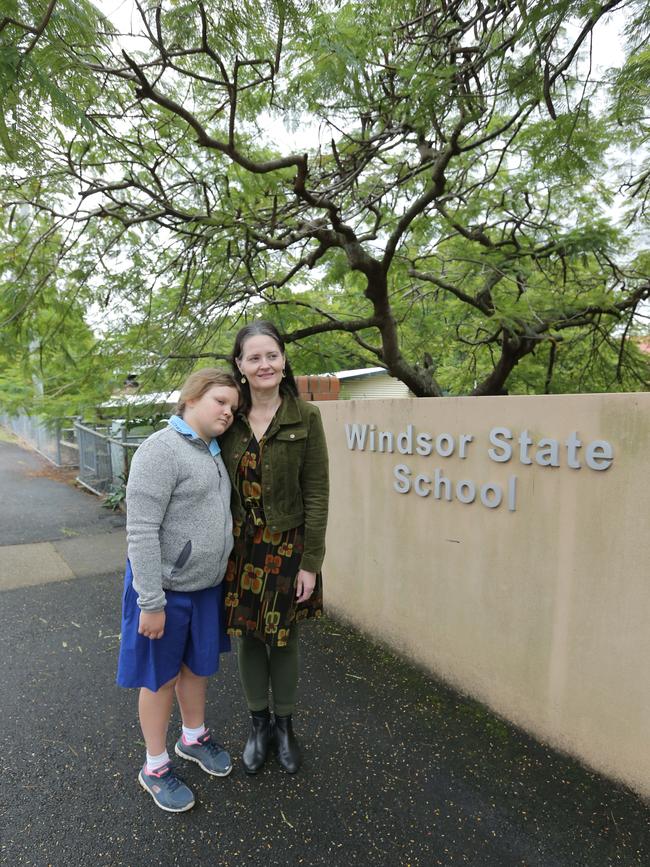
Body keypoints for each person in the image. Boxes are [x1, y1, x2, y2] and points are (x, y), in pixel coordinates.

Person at [116, 368, 240, 812]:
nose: (228, 411)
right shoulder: (161, 450)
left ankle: (193, 737)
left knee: (197, 668)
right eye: (220, 402)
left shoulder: (212, 450)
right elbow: (142, 531)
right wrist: (151, 602)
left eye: (233, 406)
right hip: (163, 592)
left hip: (205, 588)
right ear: (191, 398)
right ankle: (154, 765)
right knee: (160, 678)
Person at [219, 321, 329, 775]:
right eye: (253, 357)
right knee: (247, 638)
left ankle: (284, 726)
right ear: (240, 366)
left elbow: (317, 492)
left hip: (287, 546)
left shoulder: (306, 418)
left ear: (283, 360)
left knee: (284, 640)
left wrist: (311, 563)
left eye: (272, 355)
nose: (264, 364)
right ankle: (257, 725)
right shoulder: (228, 419)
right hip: (240, 547)